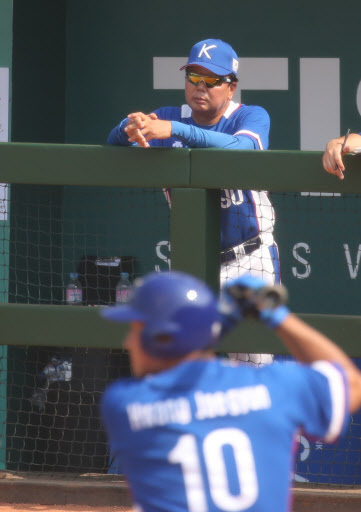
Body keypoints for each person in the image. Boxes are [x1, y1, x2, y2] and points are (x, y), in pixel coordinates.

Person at [100, 270, 361, 512]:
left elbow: (180, 366)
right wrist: (275, 314)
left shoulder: (124, 404)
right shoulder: (276, 387)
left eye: (135, 330)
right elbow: (351, 382)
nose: (127, 342)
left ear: (162, 339)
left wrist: (219, 323)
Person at [107, 38, 279, 365]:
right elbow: (114, 146)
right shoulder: (169, 117)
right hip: (192, 263)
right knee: (182, 365)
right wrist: (129, 126)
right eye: (193, 77)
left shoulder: (251, 116)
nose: (200, 86)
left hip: (250, 259)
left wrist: (172, 129)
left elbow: (241, 151)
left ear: (231, 87)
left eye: (212, 80)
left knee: (255, 369)